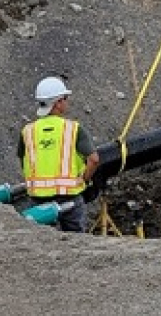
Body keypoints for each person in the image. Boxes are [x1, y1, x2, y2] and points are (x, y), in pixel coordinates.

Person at [18, 76, 100, 233]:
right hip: (69, 197)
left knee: (42, 242)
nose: (67, 102)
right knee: (76, 243)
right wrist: (84, 179)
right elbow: (94, 160)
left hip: (38, 199)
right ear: (58, 103)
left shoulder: (27, 131)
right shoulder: (73, 129)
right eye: (65, 98)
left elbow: (24, 160)